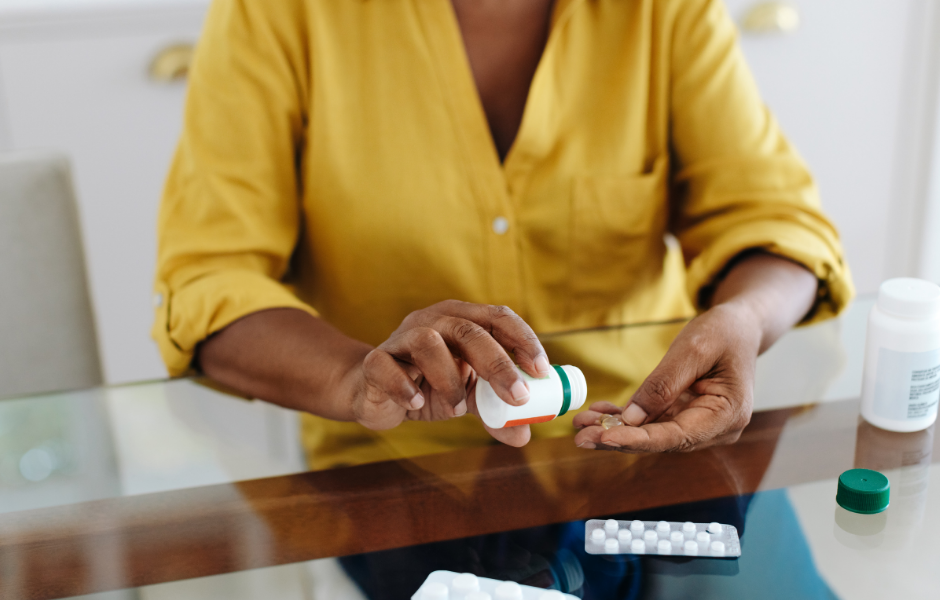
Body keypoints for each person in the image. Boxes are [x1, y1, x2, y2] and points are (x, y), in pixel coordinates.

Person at [152, 0, 853, 469]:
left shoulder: (661, 12)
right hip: (400, 474)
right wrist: (354, 376)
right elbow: (208, 283)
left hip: (646, 445)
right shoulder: (281, 15)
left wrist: (743, 318)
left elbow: (775, 220)